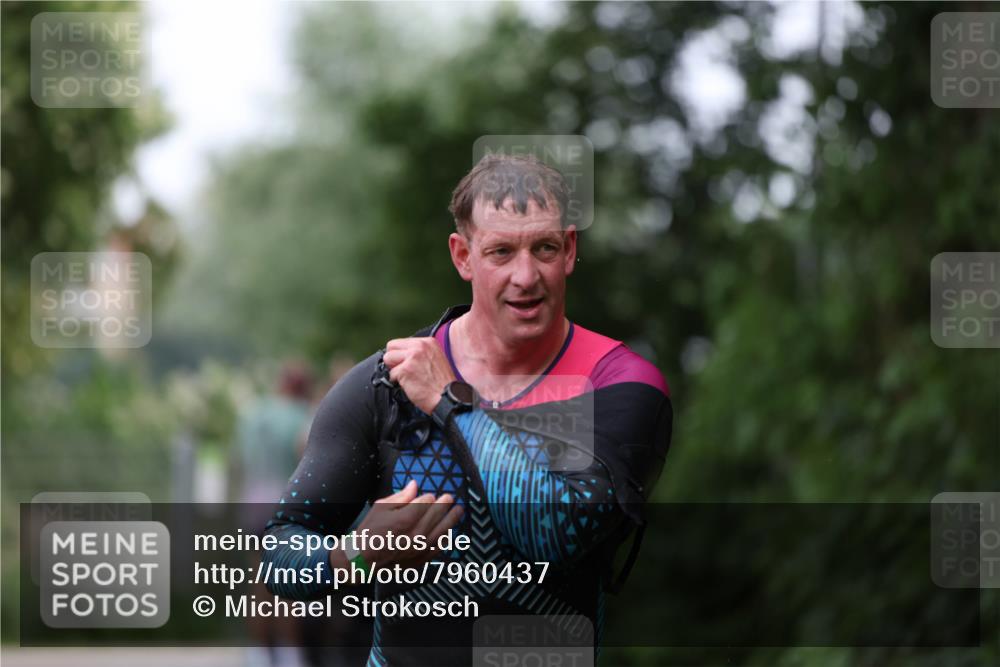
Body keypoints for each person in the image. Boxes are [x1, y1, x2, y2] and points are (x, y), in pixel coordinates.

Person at [263, 154, 673, 666]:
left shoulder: (618, 383)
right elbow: (278, 554)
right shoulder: (385, 385)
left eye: (543, 248)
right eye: (501, 251)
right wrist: (355, 556)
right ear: (463, 256)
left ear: (569, 250)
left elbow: (555, 532)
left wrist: (450, 401)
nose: (525, 276)